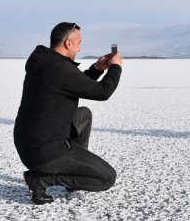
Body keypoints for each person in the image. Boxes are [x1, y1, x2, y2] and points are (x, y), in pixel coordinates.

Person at [14, 22, 123, 204]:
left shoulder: (49, 63)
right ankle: (41, 180)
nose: (80, 48)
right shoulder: (59, 69)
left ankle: (74, 176)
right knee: (107, 178)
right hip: (44, 150)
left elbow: (78, 84)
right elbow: (102, 92)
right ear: (68, 43)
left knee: (84, 115)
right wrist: (116, 67)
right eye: (79, 43)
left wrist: (97, 69)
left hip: (31, 143)